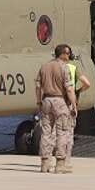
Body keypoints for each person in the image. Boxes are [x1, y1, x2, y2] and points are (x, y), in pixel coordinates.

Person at [33, 43, 77, 174]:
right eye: (68, 53)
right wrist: (74, 104)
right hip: (60, 101)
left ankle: (44, 164)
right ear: (62, 54)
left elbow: (37, 86)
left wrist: (39, 101)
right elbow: (69, 89)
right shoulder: (64, 68)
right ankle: (60, 164)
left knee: (46, 132)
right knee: (62, 132)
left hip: (46, 100)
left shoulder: (44, 66)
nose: (69, 56)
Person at [59, 48, 90, 174]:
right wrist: (78, 91)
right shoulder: (73, 67)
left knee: (57, 132)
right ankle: (66, 161)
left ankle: (53, 160)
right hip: (70, 103)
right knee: (68, 132)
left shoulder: (54, 66)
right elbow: (87, 83)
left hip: (57, 102)